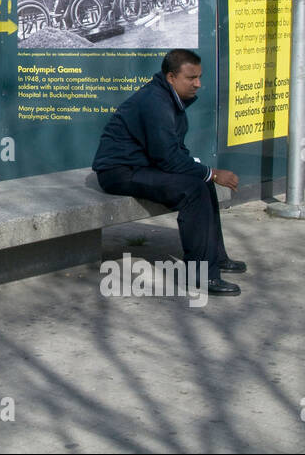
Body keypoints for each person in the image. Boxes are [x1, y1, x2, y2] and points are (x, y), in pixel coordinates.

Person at [92, 49, 245, 296]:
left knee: (202, 181)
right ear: (171, 77)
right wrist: (213, 173)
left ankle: (216, 257)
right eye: (191, 78)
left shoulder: (167, 97)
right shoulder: (155, 102)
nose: (198, 83)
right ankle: (203, 275)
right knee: (195, 188)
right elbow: (168, 158)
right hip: (119, 171)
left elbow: (173, 153)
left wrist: (206, 174)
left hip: (142, 164)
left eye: (199, 77)